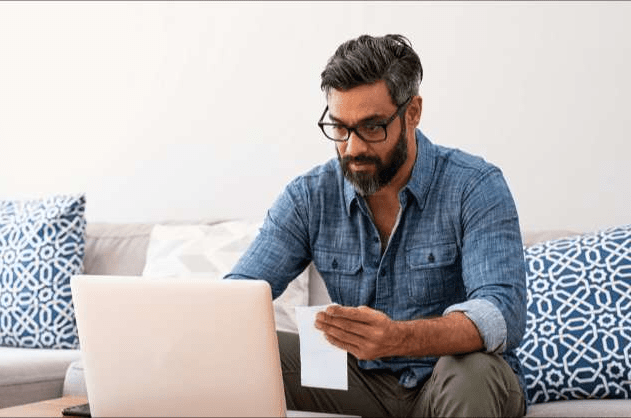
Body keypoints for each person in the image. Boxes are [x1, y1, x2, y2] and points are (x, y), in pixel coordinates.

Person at [224, 34, 527, 417]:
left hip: (451, 380)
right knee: (240, 355)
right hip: (358, 379)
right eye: (340, 128)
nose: (352, 148)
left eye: (371, 127)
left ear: (412, 112)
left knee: (470, 369)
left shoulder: (475, 186)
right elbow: (237, 298)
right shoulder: (309, 196)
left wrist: (398, 338)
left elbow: (502, 313)